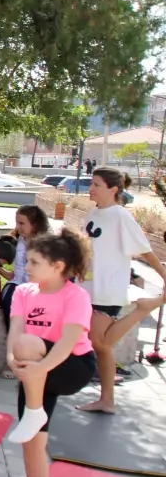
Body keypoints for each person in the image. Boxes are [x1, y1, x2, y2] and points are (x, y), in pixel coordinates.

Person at [3, 231, 99, 477]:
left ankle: (34, 413)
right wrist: (13, 362)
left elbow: (67, 343)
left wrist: (36, 367)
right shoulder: (22, 292)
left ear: (57, 266)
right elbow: (15, 332)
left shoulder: (77, 296)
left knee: (31, 345)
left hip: (72, 365)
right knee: (32, 443)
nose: (26, 266)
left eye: (34, 262)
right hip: (35, 368)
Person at [77, 168, 166, 414]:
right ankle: (107, 401)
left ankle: (142, 309)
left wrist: (164, 277)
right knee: (102, 346)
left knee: (100, 342)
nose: (91, 188)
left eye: (96, 184)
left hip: (108, 287)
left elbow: (146, 250)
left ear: (113, 189)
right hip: (88, 287)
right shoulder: (93, 214)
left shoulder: (121, 217)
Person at [0, 205, 51, 331]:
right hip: (16, 284)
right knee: (10, 303)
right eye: (16, 222)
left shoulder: (47, 244)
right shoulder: (14, 240)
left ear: (35, 224)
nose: (17, 227)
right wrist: (1, 270)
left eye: (22, 223)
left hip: (40, 288)